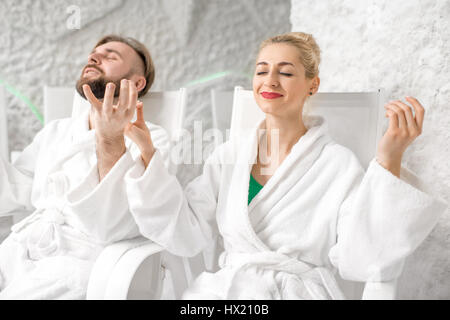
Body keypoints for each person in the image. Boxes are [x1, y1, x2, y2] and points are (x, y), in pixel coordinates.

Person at [102, 32, 447, 299]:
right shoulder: (228, 155)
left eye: (285, 72)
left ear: (312, 85)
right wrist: (147, 153)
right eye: (261, 71)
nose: (270, 81)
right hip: (222, 293)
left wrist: (389, 158)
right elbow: (187, 232)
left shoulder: (336, 164)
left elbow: (363, 254)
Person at [0, 35, 170, 299]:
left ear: (136, 82)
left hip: (80, 262)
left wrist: (110, 138)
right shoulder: (57, 131)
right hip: (22, 248)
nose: (94, 58)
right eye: (93, 54)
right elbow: (15, 187)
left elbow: (113, 224)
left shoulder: (154, 142)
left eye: (111, 56)